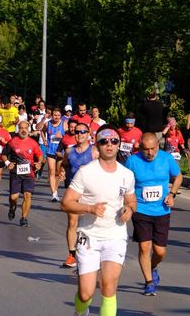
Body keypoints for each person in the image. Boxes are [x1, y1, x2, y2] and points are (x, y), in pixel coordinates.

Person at [61, 125, 136, 316]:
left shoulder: (126, 174)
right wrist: (90, 208)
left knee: (108, 287)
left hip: (115, 236)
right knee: (86, 294)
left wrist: (130, 209)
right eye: (104, 141)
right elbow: (66, 203)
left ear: (119, 145)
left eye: (114, 141)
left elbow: (131, 200)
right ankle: (80, 312)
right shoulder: (86, 172)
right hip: (89, 236)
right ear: (97, 144)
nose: (109, 145)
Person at [125, 133, 182, 296]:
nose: (150, 152)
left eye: (153, 148)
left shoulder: (166, 158)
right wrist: (128, 204)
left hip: (162, 210)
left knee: (160, 251)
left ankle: (152, 266)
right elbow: (125, 184)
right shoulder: (132, 161)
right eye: (146, 149)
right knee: (144, 247)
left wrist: (172, 194)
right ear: (140, 147)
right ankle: (149, 282)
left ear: (158, 145)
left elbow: (178, 176)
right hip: (141, 209)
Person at [58, 122, 98, 269]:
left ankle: (92, 254)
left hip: (90, 192)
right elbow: (64, 164)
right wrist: (62, 171)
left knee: (90, 224)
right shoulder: (69, 151)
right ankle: (71, 255)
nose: (80, 134)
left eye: (83, 132)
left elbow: (103, 170)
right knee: (72, 223)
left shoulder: (95, 152)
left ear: (88, 134)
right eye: (77, 132)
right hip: (73, 191)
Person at [2, 121, 43, 227]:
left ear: (28, 129)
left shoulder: (33, 143)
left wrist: (39, 163)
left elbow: (40, 156)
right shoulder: (12, 142)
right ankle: (12, 207)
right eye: (21, 128)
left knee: (27, 195)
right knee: (13, 197)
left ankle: (23, 218)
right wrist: (7, 163)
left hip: (29, 173)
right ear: (18, 129)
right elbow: (4, 155)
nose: (23, 130)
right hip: (16, 173)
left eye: (25, 128)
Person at [38, 107, 65, 202]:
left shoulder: (64, 124)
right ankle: (53, 193)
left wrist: (62, 136)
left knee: (58, 173)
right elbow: (41, 131)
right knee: (52, 171)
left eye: (58, 115)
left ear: (60, 115)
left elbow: (68, 136)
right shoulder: (48, 123)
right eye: (54, 115)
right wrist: (44, 140)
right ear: (52, 115)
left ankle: (55, 191)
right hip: (50, 151)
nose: (56, 117)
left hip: (60, 152)